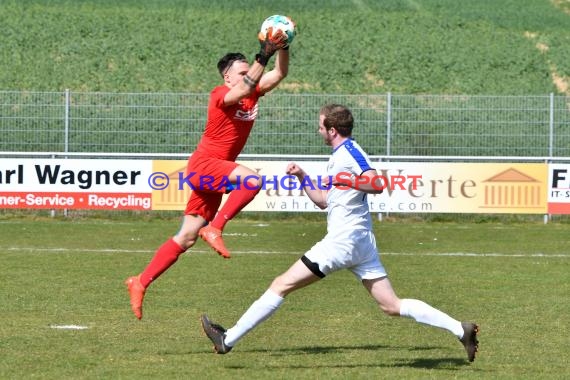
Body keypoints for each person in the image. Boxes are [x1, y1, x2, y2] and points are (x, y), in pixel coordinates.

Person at [201, 104, 480, 362]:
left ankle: (228, 339)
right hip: (360, 244)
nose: (318, 130)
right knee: (391, 305)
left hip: (343, 241)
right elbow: (324, 201)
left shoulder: (350, 153)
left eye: (320, 126)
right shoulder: (338, 157)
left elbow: (377, 183)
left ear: (332, 130)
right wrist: (302, 177)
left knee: (280, 285)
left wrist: (350, 179)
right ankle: (461, 329)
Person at [125, 25, 292, 320]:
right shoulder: (221, 93)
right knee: (253, 180)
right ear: (227, 77)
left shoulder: (253, 93)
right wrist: (261, 56)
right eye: (241, 72)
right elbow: (243, 87)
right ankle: (215, 227)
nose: (247, 76)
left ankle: (140, 281)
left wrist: (283, 47)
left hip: (213, 173)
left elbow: (279, 75)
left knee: (187, 236)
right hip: (205, 164)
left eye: (247, 71)